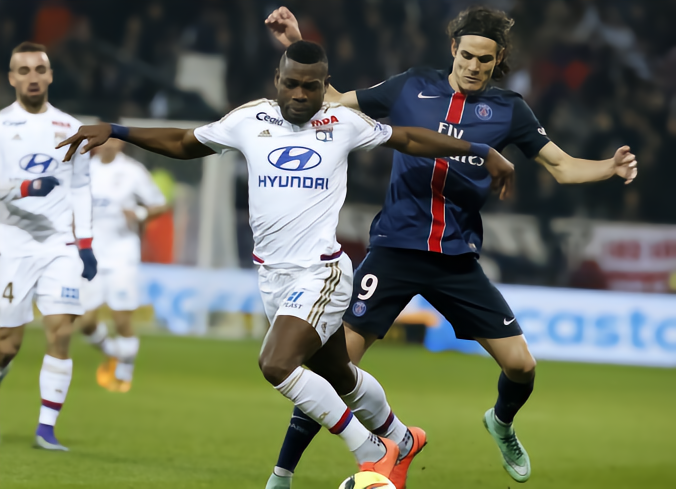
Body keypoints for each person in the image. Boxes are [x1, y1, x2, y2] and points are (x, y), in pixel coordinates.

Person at [58, 41, 514, 482]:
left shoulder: (343, 122)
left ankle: (373, 452)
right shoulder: (248, 119)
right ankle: (402, 438)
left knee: (276, 364)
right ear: (277, 79)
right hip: (273, 278)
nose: (299, 94)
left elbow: (408, 137)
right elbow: (182, 141)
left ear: (324, 84)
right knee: (338, 374)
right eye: (291, 84)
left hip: (321, 272)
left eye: (311, 86)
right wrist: (116, 130)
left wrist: (478, 150)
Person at [263, 5, 638, 485]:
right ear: (453, 50)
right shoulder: (411, 86)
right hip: (395, 249)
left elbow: (561, 166)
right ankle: (282, 473)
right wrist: (297, 41)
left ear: (498, 59)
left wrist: (609, 167)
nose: (474, 66)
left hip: (456, 258)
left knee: (522, 366)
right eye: (467, 56)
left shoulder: (509, 109)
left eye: (485, 59)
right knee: (337, 367)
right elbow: (334, 102)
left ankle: (501, 422)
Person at [0, 42, 97, 451]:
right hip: (11, 244)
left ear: (51, 75)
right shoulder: (1, 126)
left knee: (60, 332)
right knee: (7, 344)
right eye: (24, 71)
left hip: (60, 246)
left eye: (40, 69)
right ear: (12, 78)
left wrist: (85, 244)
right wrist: (25, 187)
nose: (33, 77)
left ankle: (46, 429)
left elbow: (81, 188)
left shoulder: (70, 128)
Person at [78, 138, 167, 393]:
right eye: (103, 139)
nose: (108, 144)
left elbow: (159, 204)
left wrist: (139, 214)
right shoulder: (84, 169)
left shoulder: (132, 170)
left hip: (122, 254)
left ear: (121, 144)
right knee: (85, 322)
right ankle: (114, 352)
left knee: (120, 318)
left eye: (114, 139)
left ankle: (124, 372)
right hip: (91, 254)